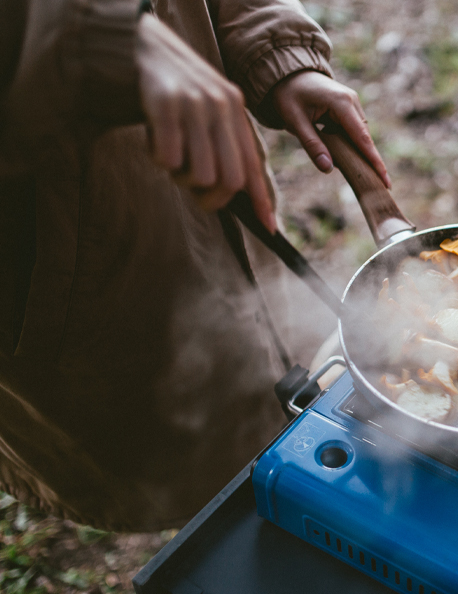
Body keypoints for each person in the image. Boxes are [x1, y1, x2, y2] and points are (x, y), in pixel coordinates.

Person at [0, 0, 389, 532]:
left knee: (256, 385)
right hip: (66, 247)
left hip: (200, 189)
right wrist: (95, 35)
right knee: (185, 476)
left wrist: (272, 45)